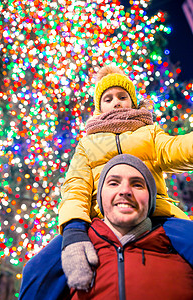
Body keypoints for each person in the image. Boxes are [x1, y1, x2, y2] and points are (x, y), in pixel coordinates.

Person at [59, 64, 193, 289]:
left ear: (132, 101)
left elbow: (177, 148)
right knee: (39, 269)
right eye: (108, 98)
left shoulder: (149, 133)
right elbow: (76, 186)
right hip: (101, 219)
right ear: (99, 107)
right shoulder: (87, 143)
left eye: (122, 96)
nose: (116, 102)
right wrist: (73, 229)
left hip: (156, 215)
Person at [19, 154, 193, 300]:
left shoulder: (181, 246)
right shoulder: (67, 253)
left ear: (151, 199)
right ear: (100, 197)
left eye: (137, 184)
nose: (125, 190)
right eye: (113, 183)